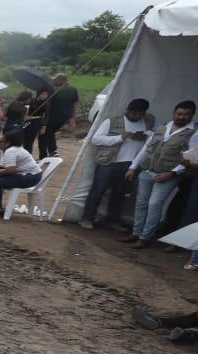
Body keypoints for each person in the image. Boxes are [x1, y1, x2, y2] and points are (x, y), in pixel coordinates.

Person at [122, 100, 196, 247]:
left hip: (167, 175)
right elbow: (146, 148)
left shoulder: (194, 133)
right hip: (147, 170)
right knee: (141, 203)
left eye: (186, 115)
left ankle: (145, 238)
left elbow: (190, 158)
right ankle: (135, 233)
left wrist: (172, 173)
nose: (181, 117)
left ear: (191, 115)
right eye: (179, 114)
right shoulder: (163, 126)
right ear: (174, 113)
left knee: (154, 205)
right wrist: (133, 166)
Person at [79, 98, 150, 230]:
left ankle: (112, 221)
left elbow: (152, 139)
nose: (136, 116)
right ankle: (87, 218)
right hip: (109, 163)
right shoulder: (112, 121)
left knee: (120, 194)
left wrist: (146, 135)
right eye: (133, 113)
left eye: (140, 114)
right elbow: (96, 139)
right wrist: (120, 138)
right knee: (97, 191)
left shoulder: (148, 123)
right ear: (127, 110)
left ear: (144, 113)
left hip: (131, 165)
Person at [0, 136, 44, 217]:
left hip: (30, 177)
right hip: (32, 176)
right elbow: (8, 169)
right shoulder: (15, 149)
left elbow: (10, 170)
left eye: (0, 141)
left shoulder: (11, 151)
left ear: (8, 143)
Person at [41, 73, 80, 158]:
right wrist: (72, 117)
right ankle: (52, 152)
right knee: (49, 132)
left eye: (55, 79)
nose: (53, 81)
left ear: (61, 80)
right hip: (65, 117)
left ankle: (48, 154)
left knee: (44, 133)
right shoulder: (73, 89)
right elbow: (75, 104)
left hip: (53, 116)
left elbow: (45, 102)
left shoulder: (53, 90)